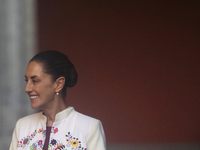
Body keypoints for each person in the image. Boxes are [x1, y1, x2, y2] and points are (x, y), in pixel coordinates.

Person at [9, 50, 106, 150]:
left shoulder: (89, 127)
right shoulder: (23, 126)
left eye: (35, 81)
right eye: (26, 80)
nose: (27, 88)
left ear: (58, 84)